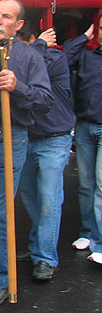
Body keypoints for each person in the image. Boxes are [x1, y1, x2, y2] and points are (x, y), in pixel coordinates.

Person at [0, 0, 53, 307]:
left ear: (18, 25)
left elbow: (44, 101)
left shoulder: (29, 58)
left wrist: (18, 86)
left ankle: (1, 279)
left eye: (6, 17)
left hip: (10, 138)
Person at [16, 25, 75, 280]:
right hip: (28, 138)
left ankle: (46, 258)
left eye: (23, 44)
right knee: (32, 199)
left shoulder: (54, 57)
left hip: (55, 139)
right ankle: (37, 247)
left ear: (33, 40)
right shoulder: (31, 54)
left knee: (49, 202)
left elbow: (27, 69)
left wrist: (38, 45)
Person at [63, 17, 102, 264]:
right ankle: (88, 232)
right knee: (86, 185)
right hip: (86, 125)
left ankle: (100, 242)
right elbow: (64, 57)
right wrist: (85, 37)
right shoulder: (88, 54)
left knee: (101, 186)